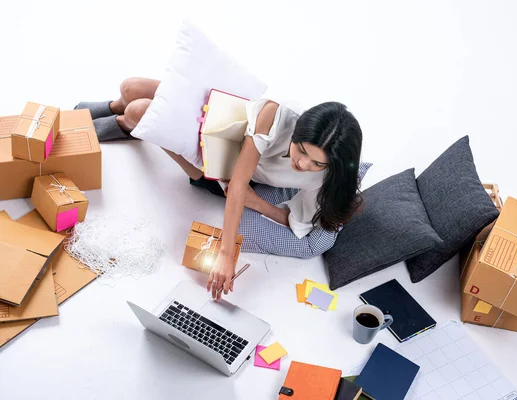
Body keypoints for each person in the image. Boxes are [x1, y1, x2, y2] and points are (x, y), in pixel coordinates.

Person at [76, 77, 363, 300]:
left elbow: (281, 212)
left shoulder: (327, 178)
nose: (302, 164)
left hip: (219, 167)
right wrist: (226, 256)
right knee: (130, 88)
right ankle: (119, 113)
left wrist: (257, 203)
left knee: (138, 111)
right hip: (225, 119)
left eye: (316, 163)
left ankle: (123, 122)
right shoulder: (277, 114)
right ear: (298, 131)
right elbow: (241, 184)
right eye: (300, 151)